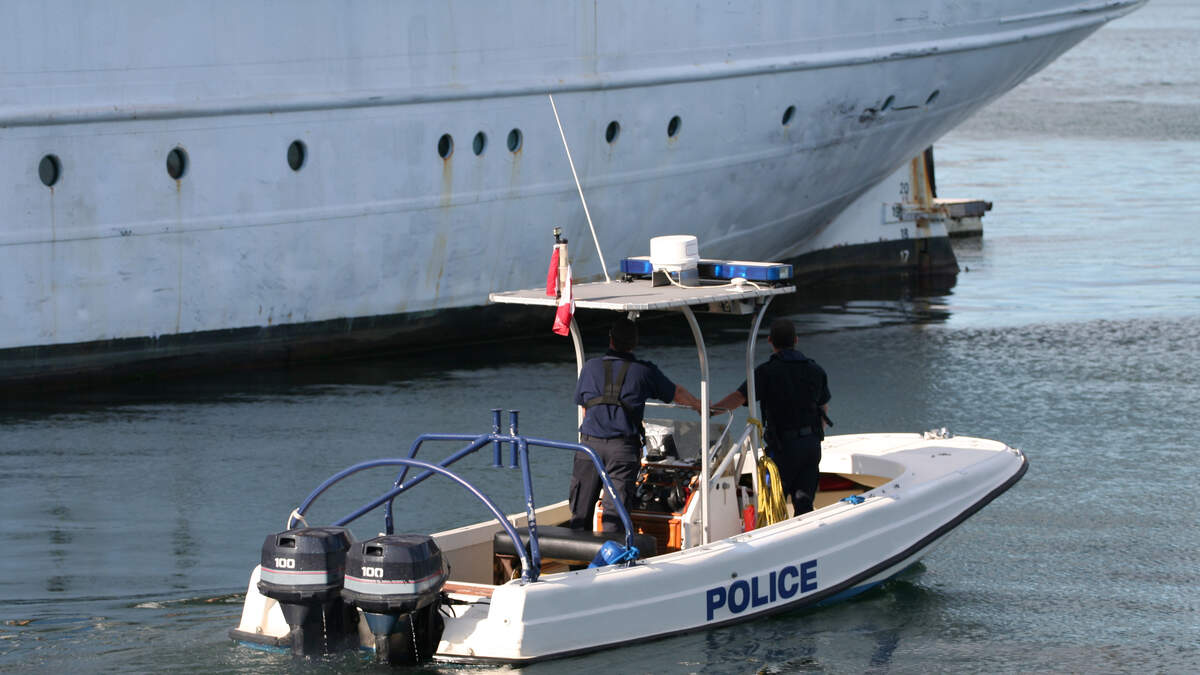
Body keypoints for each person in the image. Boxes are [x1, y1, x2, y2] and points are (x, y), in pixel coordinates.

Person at [569, 318, 702, 532]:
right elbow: (676, 393)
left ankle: (576, 563)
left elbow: (585, 409)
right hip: (622, 450)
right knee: (615, 513)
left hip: (588, 447)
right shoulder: (644, 371)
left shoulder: (590, 367)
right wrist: (699, 406)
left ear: (610, 339)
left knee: (580, 511)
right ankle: (611, 562)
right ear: (634, 343)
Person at [712, 318, 831, 515]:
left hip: (783, 448)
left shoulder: (766, 373)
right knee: (804, 504)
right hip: (811, 446)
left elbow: (739, 398)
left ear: (770, 341)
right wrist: (813, 437)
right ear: (796, 340)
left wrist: (711, 410)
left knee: (774, 505)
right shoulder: (815, 370)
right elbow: (824, 408)